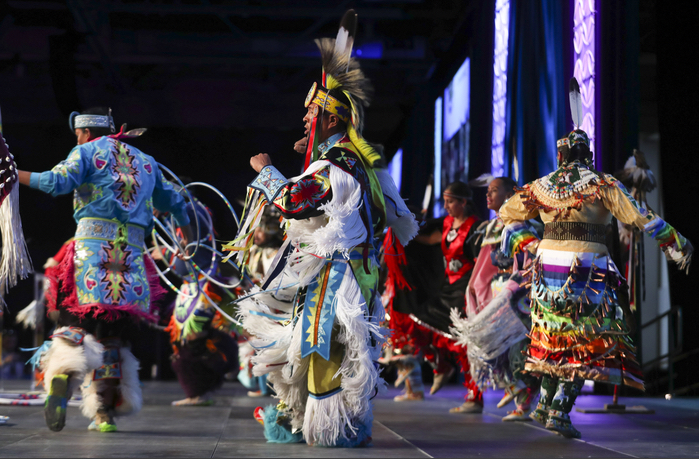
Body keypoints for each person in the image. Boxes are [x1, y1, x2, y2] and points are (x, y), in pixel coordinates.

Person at [227, 10, 418, 447]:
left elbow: (296, 202)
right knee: (323, 345)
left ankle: (331, 428)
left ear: (333, 121)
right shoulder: (359, 162)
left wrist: (268, 170)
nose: (306, 123)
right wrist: (312, 154)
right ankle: (311, 422)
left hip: (336, 276)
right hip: (352, 272)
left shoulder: (336, 164)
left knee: (320, 344)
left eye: (312, 117)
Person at [498, 129, 692, 438]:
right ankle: (559, 411)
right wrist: (674, 240)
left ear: (560, 155)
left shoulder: (542, 185)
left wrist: (531, 244)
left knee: (553, 333)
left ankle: (546, 404)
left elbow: (507, 214)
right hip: (587, 270)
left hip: (547, 267)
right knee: (584, 339)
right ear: (588, 153)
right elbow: (638, 217)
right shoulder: (602, 184)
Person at [15, 108, 193, 432]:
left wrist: (15, 175)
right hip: (131, 261)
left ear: (84, 132)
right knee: (114, 336)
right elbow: (177, 203)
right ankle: (104, 412)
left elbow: (55, 182)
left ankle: (63, 376)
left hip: (90, 255)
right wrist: (188, 240)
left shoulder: (85, 151)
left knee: (76, 322)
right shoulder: (145, 160)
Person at [451, 176, 540, 421]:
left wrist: (517, 287)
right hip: (494, 295)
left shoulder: (525, 225)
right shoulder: (490, 228)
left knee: (518, 350)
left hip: (517, 294)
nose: (487, 196)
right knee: (485, 345)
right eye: (487, 191)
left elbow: (529, 263)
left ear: (511, 193)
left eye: (493, 191)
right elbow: (482, 267)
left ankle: (526, 402)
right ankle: (514, 388)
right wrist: (474, 290)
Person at [159, 199, 239, 407]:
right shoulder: (184, 214)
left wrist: (165, 253)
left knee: (193, 338)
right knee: (186, 340)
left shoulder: (187, 212)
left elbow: (189, 253)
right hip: (192, 284)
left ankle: (227, 360)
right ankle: (200, 389)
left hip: (203, 284)